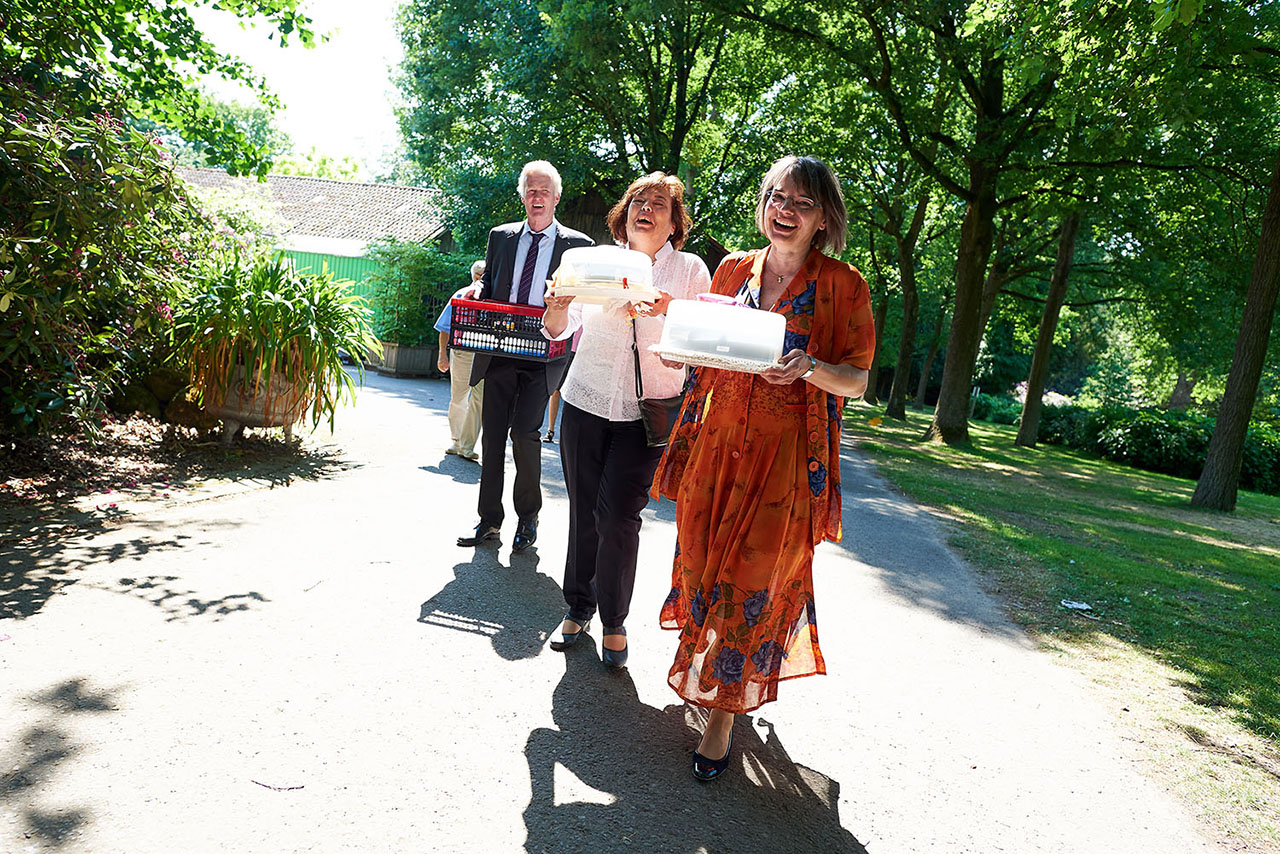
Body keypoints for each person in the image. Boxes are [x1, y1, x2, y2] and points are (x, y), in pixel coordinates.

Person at [650, 155, 875, 781]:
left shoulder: (843, 287)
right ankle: (709, 674)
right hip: (718, 448)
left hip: (783, 467)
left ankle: (723, 714)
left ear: (823, 217)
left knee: (751, 582)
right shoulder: (732, 270)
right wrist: (676, 332)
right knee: (700, 565)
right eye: (776, 196)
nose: (784, 210)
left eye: (801, 202)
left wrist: (808, 368)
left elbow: (856, 381)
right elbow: (701, 351)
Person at [542, 172, 711, 670]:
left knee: (618, 518)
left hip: (648, 412)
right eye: (639, 199)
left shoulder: (690, 270)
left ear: (674, 221)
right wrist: (556, 307)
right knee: (583, 513)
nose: (647, 208)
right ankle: (578, 607)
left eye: (660, 203)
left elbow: (697, 347)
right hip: (585, 400)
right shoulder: (594, 260)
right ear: (625, 210)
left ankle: (614, 619)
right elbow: (558, 330)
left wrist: (665, 309)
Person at [457, 161, 595, 552]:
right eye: (531, 191)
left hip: (545, 352)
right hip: (500, 348)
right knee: (493, 437)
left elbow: (581, 301)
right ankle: (489, 522)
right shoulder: (500, 237)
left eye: (544, 191)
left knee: (525, 434)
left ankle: (528, 518)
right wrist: (475, 289)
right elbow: (489, 280)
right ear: (523, 196)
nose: (537, 197)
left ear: (556, 197)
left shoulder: (577, 246)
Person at [435, 259, 486, 462]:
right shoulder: (460, 295)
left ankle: (467, 446)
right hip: (463, 351)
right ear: (475, 277)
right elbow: (445, 327)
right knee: (459, 397)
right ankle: (456, 441)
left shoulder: (493, 296)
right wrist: (442, 355)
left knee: (479, 399)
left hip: (484, 353)